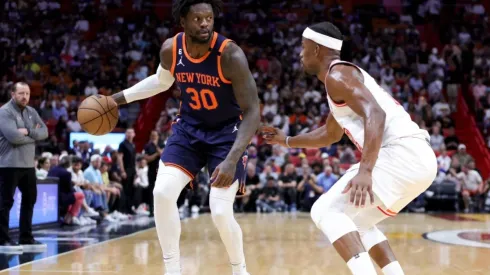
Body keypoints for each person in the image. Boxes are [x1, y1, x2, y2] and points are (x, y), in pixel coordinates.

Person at [262, 22, 437, 275]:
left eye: (303, 46)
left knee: (324, 210)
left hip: (401, 154)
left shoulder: (338, 75)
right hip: (418, 160)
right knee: (360, 223)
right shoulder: (340, 81)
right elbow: (330, 134)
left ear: (317, 49)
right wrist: (287, 140)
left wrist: (365, 171)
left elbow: (375, 114)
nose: (300, 53)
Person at [110, 1, 260, 274]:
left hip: (227, 135)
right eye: (198, 18)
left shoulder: (231, 55)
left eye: (209, 18)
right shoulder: (171, 48)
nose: (204, 23)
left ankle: (240, 270)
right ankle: (172, 269)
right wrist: (116, 99)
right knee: (162, 193)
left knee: (220, 211)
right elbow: (161, 81)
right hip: (188, 130)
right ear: (182, 21)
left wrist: (232, 158)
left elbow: (253, 111)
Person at [0, 82, 48, 252]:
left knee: (30, 200)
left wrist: (27, 131)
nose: (25, 97)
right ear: (12, 94)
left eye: (27, 93)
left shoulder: (31, 111)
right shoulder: (4, 112)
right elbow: (13, 137)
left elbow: (45, 132)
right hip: (8, 165)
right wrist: (34, 136)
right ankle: (2, 240)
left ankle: (26, 237)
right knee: (5, 203)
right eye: (21, 93)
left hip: (28, 166)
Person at [143, 130, 164, 217]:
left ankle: (161, 210)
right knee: (151, 190)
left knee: (161, 190)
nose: (153, 137)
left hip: (161, 170)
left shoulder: (162, 144)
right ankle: (152, 210)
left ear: (158, 136)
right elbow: (147, 158)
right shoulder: (147, 146)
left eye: (155, 135)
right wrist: (156, 154)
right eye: (152, 135)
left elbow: (163, 154)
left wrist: (156, 147)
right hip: (151, 170)